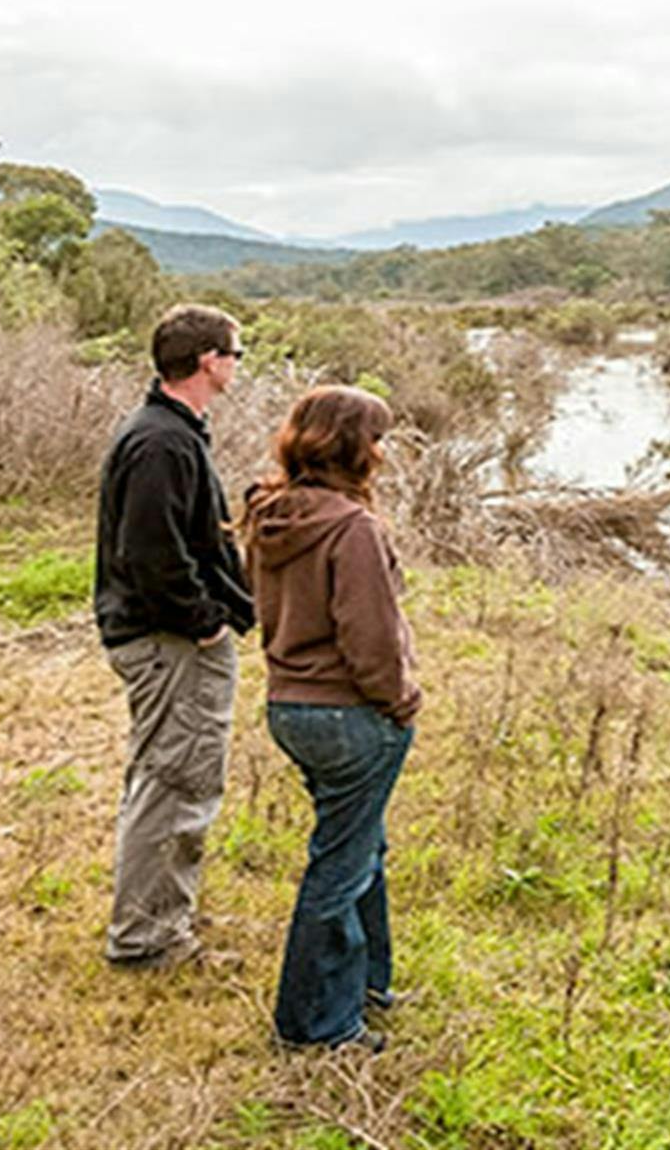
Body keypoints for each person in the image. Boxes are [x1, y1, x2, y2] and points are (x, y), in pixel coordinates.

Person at [239, 385, 422, 1051]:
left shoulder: (269, 514)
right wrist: (399, 701)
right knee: (340, 867)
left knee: (359, 845)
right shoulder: (352, 528)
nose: (382, 451)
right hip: (349, 715)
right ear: (350, 445)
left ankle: (368, 986)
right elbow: (369, 636)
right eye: (376, 437)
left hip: (290, 707)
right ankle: (315, 1027)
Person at [94, 303, 256, 969]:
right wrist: (207, 623)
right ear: (209, 361)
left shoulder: (174, 432)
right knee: (175, 783)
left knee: (167, 777)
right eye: (235, 354)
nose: (238, 366)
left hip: (168, 638)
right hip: (169, 642)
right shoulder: (161, 442)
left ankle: (163, 911)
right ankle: (148, 940)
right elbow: (151, 555)